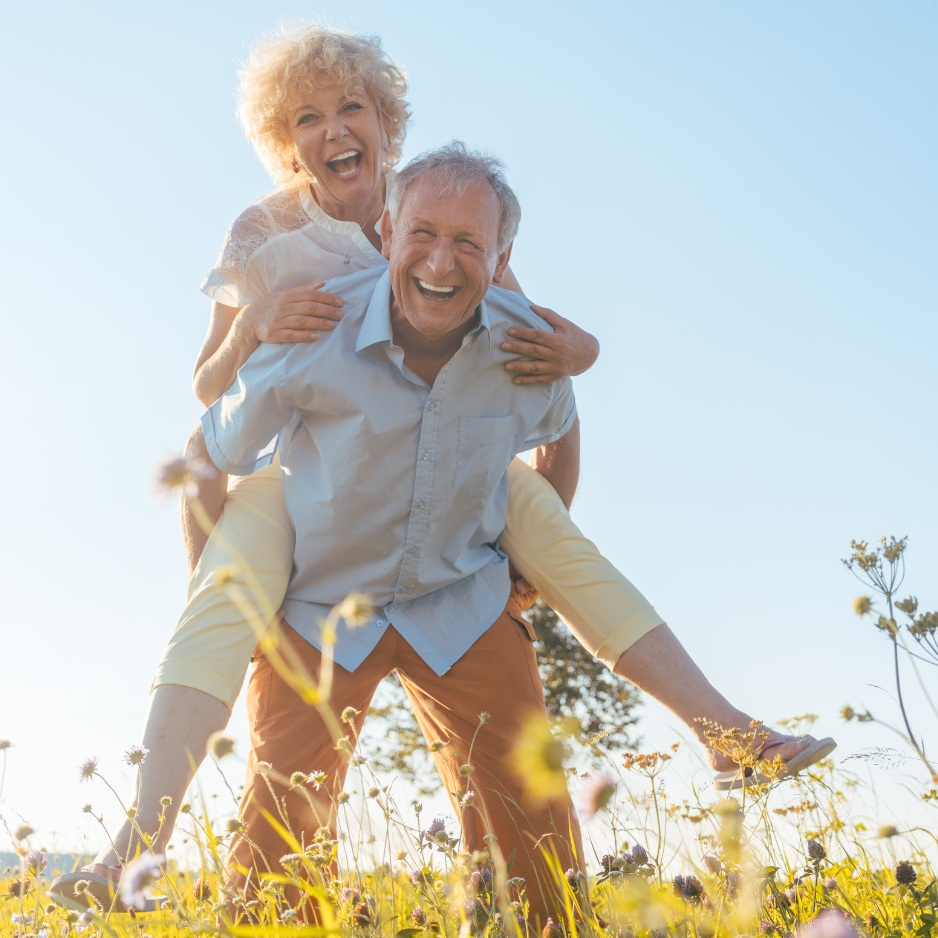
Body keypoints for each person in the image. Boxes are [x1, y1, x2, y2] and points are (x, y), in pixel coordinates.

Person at [50, 20, 834, 917]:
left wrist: (574, 371)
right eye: (308, 117)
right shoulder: (275, 248)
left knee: (547, 558)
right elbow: (207, 408)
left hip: (453, 550)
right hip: (317, 519)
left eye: (352, 107)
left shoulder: (450, 225)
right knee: (270, 822)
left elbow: (541, 363)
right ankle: (136, 844)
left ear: (388, 123)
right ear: (288, 144)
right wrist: (256, 323)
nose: (334, 128)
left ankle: (720, 728)